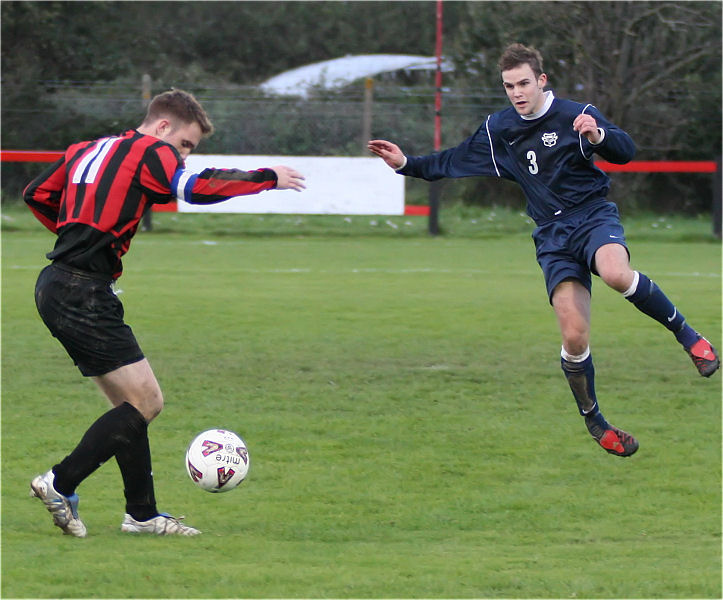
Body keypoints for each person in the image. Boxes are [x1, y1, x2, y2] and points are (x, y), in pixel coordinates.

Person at [368, 43, 719, 458]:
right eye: (508, 86)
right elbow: (452, 160)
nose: (516, 92)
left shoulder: (575, 114)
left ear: (541, 81)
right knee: (574, 336)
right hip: (552, 237)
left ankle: (688, 336)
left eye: (523, 84)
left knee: (615, 273)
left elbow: (625, 151)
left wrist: (598, 134)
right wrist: (407, 163)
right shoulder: (499, 129)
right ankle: (596, 421)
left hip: (591, 216)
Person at [25, 89, 305, 537]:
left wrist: (80, 233)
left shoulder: (87, 148)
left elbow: (37, 194)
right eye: (186, 145)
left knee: (128, 405)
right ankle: (60, 482)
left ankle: (142, 514)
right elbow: (195, 189)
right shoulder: (152, 150)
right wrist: (265, 176)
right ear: (162, 127)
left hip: (55, 284)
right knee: (147, 402)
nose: (183, 157)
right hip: (83, 291)